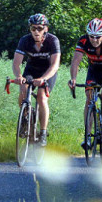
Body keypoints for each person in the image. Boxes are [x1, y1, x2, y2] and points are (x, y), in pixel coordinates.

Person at [68, 18, 102, 147]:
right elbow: (75, 62)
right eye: (91, 36)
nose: (94, 40)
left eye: (98, 37)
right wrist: (73, 79)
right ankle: (87, 136)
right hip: (94, 70)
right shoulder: (83, 41)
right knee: (89, 98)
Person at [12, 13, 61, 146]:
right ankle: (26, 118)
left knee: (41, 96)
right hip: (31, 69)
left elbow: (55, 65)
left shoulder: (53, 40)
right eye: (33, 28)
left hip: (48, 71)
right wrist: (19, 77)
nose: (36, 31)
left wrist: (43, 79)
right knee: (23, 90)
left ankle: (43, 132)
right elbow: (16, 63)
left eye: (39, 28)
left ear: (46, 29)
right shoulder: (25, 40)